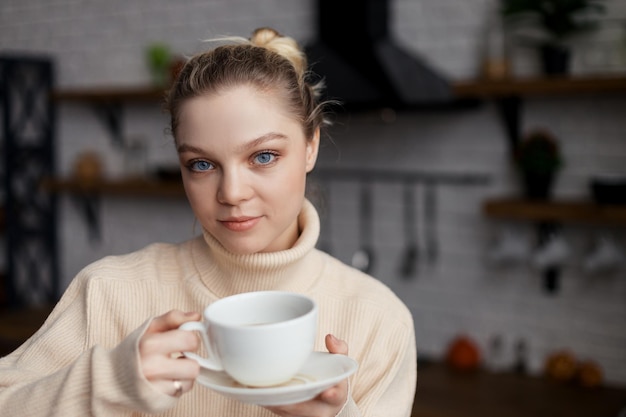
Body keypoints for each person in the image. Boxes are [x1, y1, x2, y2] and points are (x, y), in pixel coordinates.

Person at [0, 27, 416, 416]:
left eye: (263, 156)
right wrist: (111, 381)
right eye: (201, 164)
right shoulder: (108, 294)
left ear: (311, 146)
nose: (231, 193)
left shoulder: (379, 319)